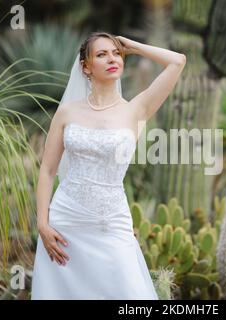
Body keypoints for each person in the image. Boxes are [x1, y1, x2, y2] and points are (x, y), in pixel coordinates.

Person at [30, 31, 186, 299]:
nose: (112, 58)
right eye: (102, 54)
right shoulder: (68, 112)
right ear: (86, 67)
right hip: (66, 220)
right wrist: (43, 224)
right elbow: (47, 170)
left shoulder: (136, 109)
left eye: (116, 53)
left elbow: (178, 61)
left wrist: (132, 46)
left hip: (111, 222)